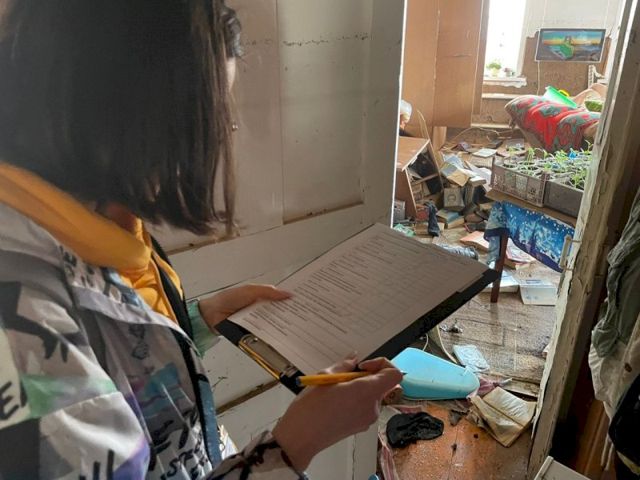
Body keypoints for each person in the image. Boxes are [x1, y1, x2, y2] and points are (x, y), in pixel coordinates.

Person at [0, 1, 402, 479]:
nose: (225, 135)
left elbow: (113, 349)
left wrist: (196, 320)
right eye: (212, 119)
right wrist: (296, 444)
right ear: (126, 116)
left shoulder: (101, 219)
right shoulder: (19, 337)